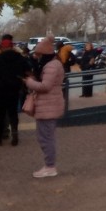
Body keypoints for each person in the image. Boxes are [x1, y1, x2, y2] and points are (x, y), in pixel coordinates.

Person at [23, 37, 65, 178]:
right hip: (49, 105)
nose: (36, 57)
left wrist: (29, 82)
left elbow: (45, 86)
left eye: (38, 54)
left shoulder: (51, 66)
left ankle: (50, 166)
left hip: (48, 106)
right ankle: (49, 165)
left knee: (46, 137)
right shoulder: (54, 64)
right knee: (45, 137)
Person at [0, 34, 31, 146]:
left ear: (2, 47)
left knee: (0, 114)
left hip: (0, 89)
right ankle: (15, 135)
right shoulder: (19, 58)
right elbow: (28, 69)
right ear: (12, 46)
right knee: (13, 113)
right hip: (14, 88)